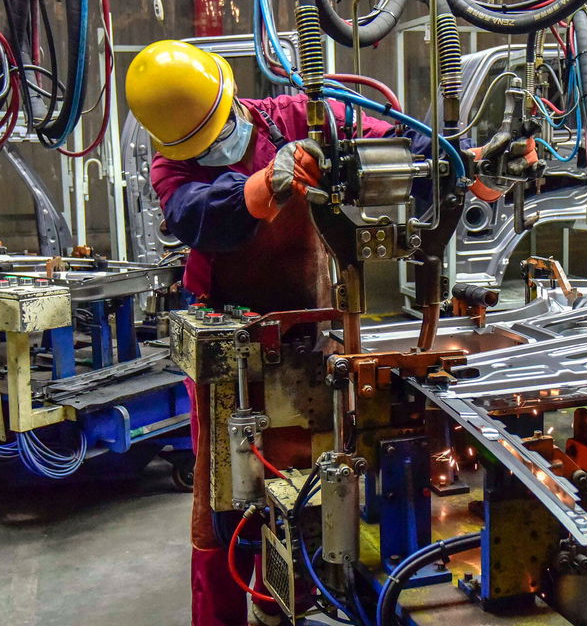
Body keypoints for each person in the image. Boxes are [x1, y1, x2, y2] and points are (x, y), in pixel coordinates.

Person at [126, 40, 423, 626]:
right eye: (202, 147)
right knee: (226, 494)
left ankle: (282, 605)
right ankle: (219, 617)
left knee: (304, 483)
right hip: (228, 344)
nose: (215, 148)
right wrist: (266, 185)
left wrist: (451, 165)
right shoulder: (172, 165)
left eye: (218, 133)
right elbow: (196, 215)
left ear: (231, 100)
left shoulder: (291, 116)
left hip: (311, 328)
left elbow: (390, 138)